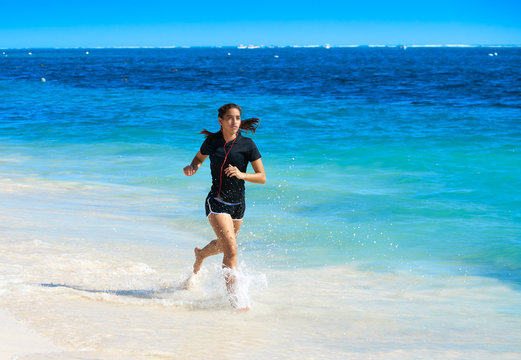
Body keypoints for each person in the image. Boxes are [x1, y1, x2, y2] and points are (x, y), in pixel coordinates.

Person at [183, 103, 266, 309]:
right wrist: (193, 166)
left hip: (238, 204)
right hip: (216, 201)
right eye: (230, 118)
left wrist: (241, 174)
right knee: (231, 248)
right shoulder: (212, 142)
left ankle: (201, 254)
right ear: (221, 121)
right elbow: (198, 158)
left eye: (237, 118)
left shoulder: (248, 145)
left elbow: (262, 177)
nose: (234, 122)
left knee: (225, 245)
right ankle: (236, 302)